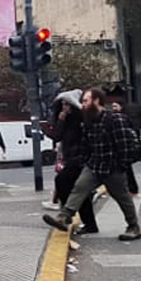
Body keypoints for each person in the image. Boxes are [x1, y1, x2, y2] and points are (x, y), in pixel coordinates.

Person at [42, 88, 141, 241]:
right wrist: (85, 161)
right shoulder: (89, 121)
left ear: (96, 101)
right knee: (79, 187)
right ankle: (64, 216)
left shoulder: (115, 119)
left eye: (85, 101)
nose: (82, 104)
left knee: (122, 197)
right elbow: (85, 144)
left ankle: (133, 226)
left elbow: (126, 146)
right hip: (94, 164)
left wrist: (122, 165)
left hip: (112, 167)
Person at [50, 90, 97, 233]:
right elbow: (56, 136)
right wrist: (61, 120)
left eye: (67, 104)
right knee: (81, 192)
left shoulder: (81, 119)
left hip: (81, 159)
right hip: (71, 159)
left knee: (62, 181)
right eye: (63, 104)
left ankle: (66, 215)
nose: (64, 107)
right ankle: (89, 224)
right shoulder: (65, 121)